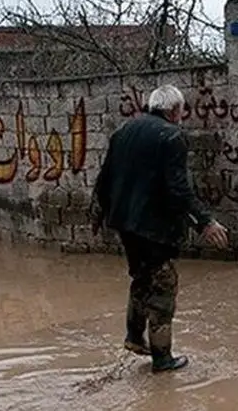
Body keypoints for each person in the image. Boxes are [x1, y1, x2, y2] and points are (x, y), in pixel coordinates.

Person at [91, 84, 229, 373]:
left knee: (141, 276)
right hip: (152, 226)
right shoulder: (172, 137)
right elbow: (178, 189)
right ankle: (162, 357)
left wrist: (99, 212)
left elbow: (104, 178)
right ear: (175, 110)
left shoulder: (123, 132)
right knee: (164, 285)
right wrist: (205, 221)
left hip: (124, 223)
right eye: (181, 111)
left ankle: (133, 335)